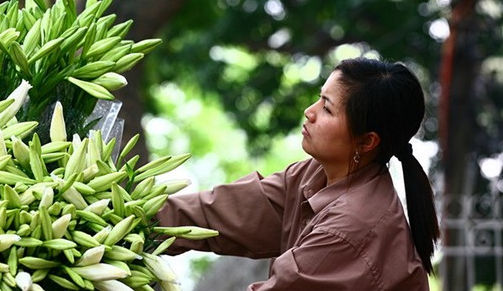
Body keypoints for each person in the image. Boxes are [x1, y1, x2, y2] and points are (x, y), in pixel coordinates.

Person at [155, 57, 440, 290]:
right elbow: (221, 213)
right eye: (319, 99)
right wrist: (134, 218)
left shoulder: (349, 229)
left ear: (366, 141)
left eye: (327, 109)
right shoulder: (313, 176)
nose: (309, 112)